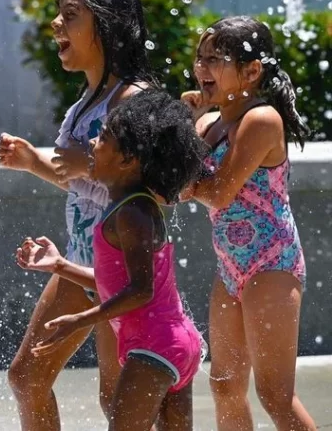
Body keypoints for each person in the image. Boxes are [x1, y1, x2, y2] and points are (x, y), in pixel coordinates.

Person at [0, 0, 154, 430]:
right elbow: (85, 183)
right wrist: (35, 164)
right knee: (28, 377)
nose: (55, 25)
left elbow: (154, 188)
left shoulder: (134, 100)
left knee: (120, 400)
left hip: (122, 271)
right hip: (85, 263)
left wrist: (86, 162)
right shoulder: (87, 101)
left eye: (71, 15)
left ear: (105, 27)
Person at [16, 89, 207, 431]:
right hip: (175, 343)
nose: (92, 142)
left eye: (102, 136)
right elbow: (117, 282)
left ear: (127, 160)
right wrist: (59, 265)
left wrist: (80, 319)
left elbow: (140, 291)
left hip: (154, 347)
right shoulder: (131, 206)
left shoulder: (132, 213)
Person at [181, 17, 316, 431]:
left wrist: (186, 182)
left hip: (271, 263)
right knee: (224, 386)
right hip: (231, 269)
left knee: (275, 396)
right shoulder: (208, 123)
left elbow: (217, 192)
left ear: (252, 71)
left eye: (215, 60)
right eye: (199, 59)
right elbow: (174, 178)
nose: (202, 69)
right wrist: (189, 122)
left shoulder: (261, 120)